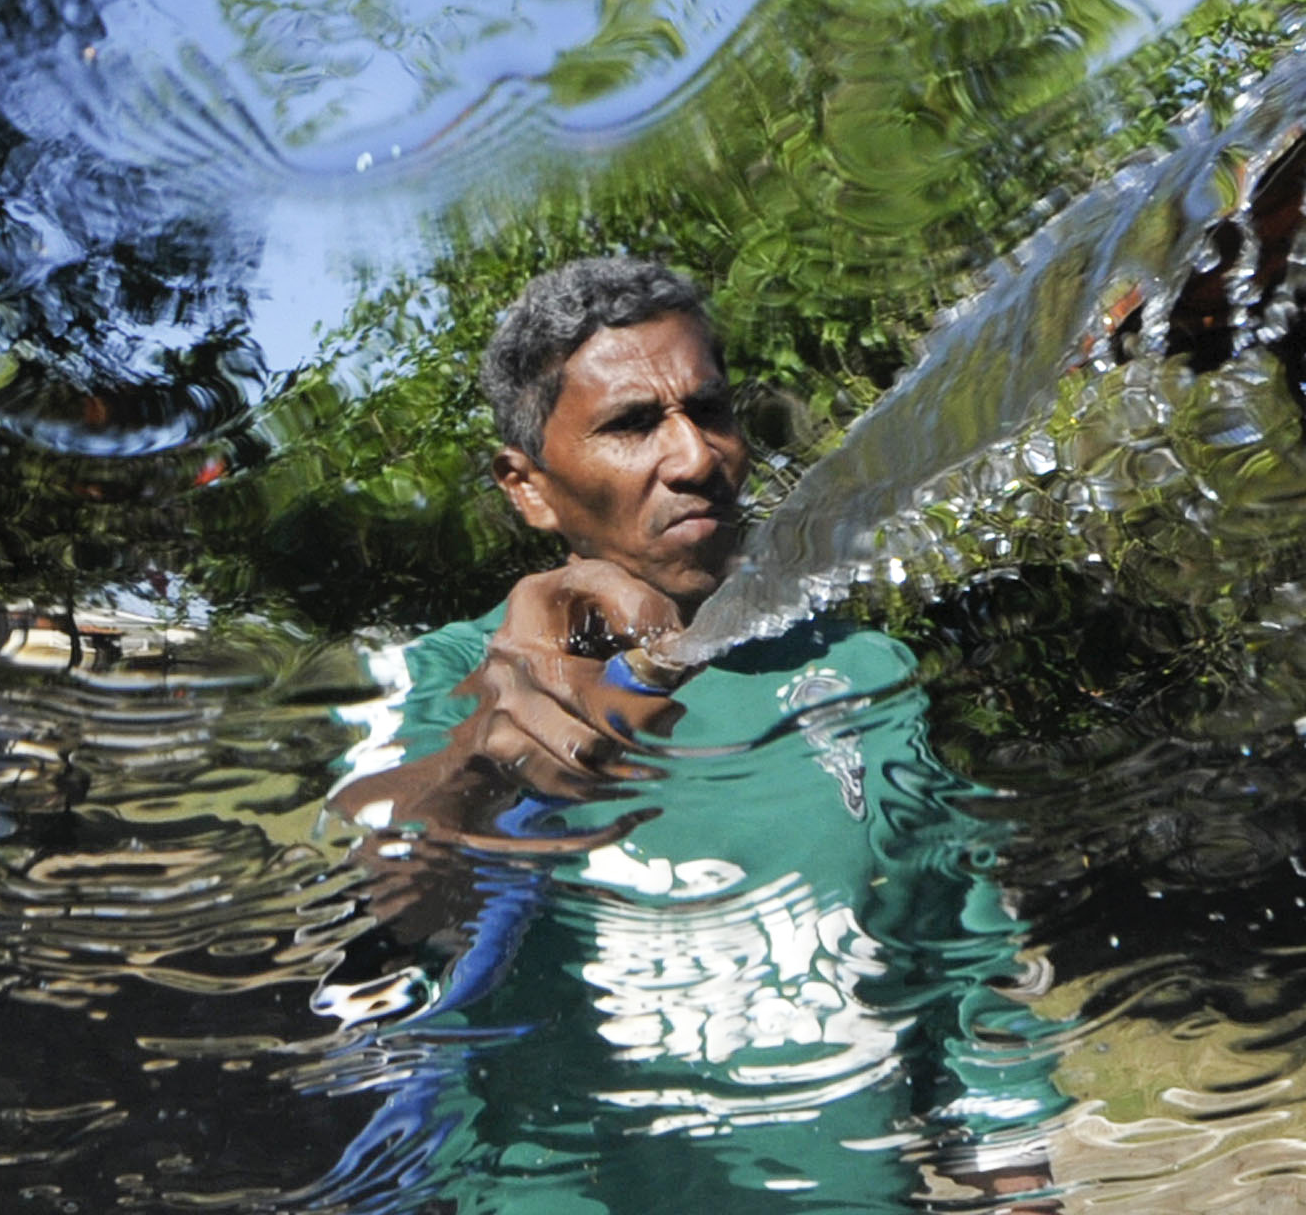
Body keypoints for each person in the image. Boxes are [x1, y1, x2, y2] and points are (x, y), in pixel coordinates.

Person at [324, 256, 1062, 1211]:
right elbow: (389, 932)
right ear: (529, 487)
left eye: (708, 412)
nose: (696, 457)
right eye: (632, 425)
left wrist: (1021, 1194)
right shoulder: (434, 681)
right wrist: (488, 756)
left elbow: (960, 988)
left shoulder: (864, 674)